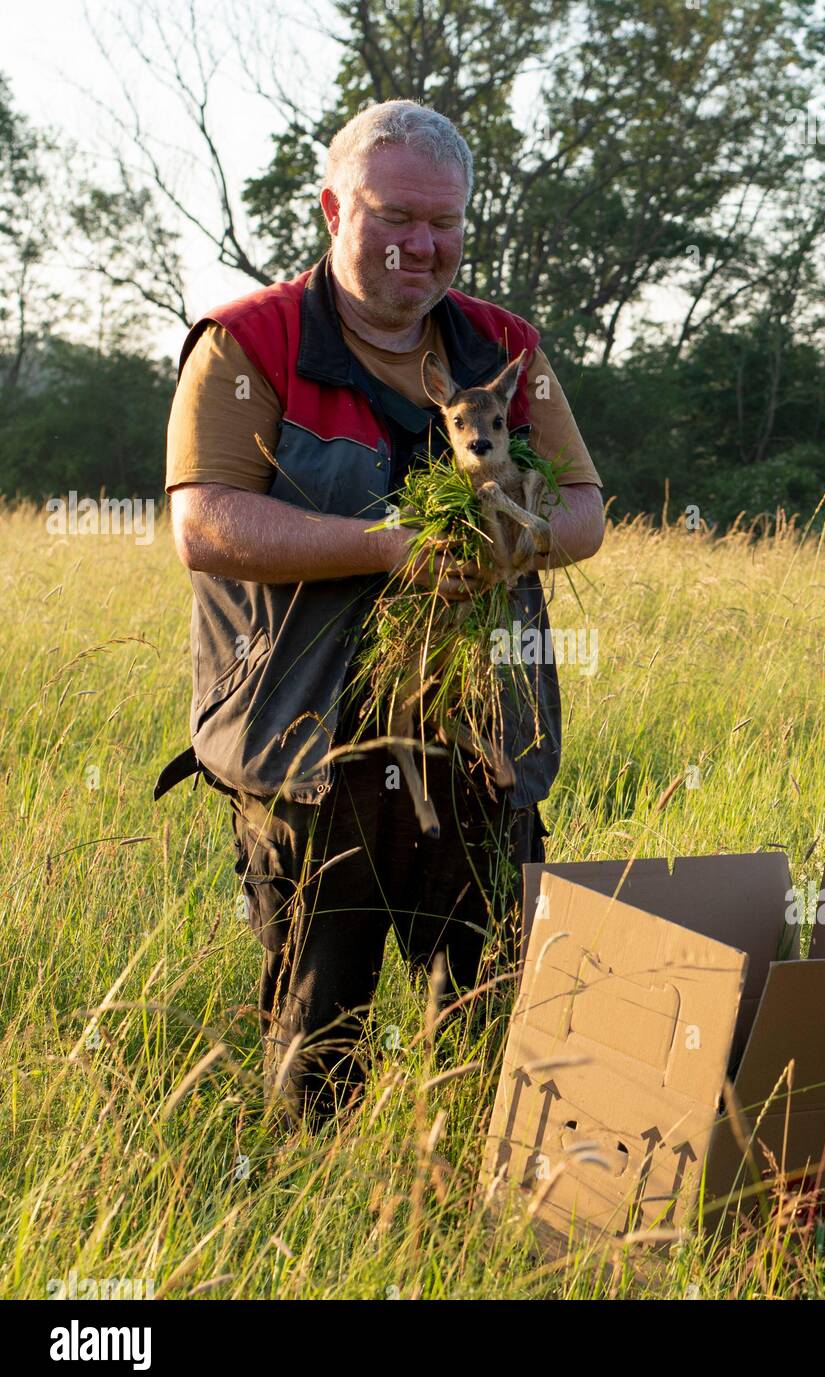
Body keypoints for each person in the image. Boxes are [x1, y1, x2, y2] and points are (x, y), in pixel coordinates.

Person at [153, 100, 606, 1127]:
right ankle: (317, 1228)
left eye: (442, 223)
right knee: (318, 1036)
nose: (421, 244)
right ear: (330, 207)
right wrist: (393, 551)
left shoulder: (503, 344)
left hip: (480, 739)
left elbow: (583, 510)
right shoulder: (248, 342)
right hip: (309, 749)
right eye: (394, 214)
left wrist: (513, 538)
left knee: (499, 1012)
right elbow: (206, 524)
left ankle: (476, 1220)